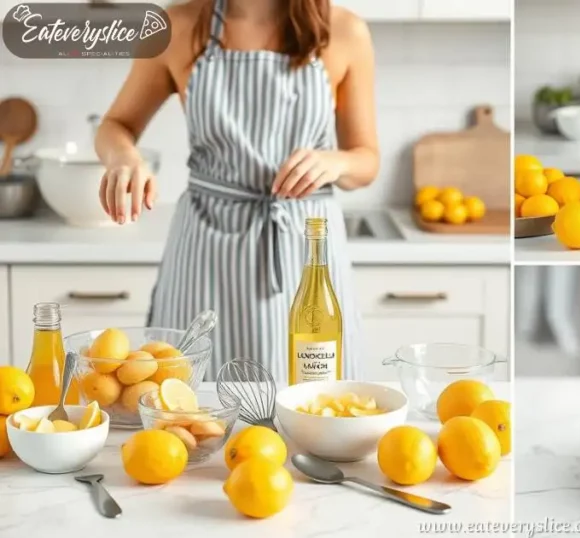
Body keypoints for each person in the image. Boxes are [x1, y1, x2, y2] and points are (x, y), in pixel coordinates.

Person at [94, 0, 378, 381]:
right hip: (205, 248)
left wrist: (336, 162)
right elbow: (116, 124)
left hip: (303, 249)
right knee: (189, 407)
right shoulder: (174, 27)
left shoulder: (344, 31)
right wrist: (123, 157)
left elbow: (367, 159)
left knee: (316, 408)